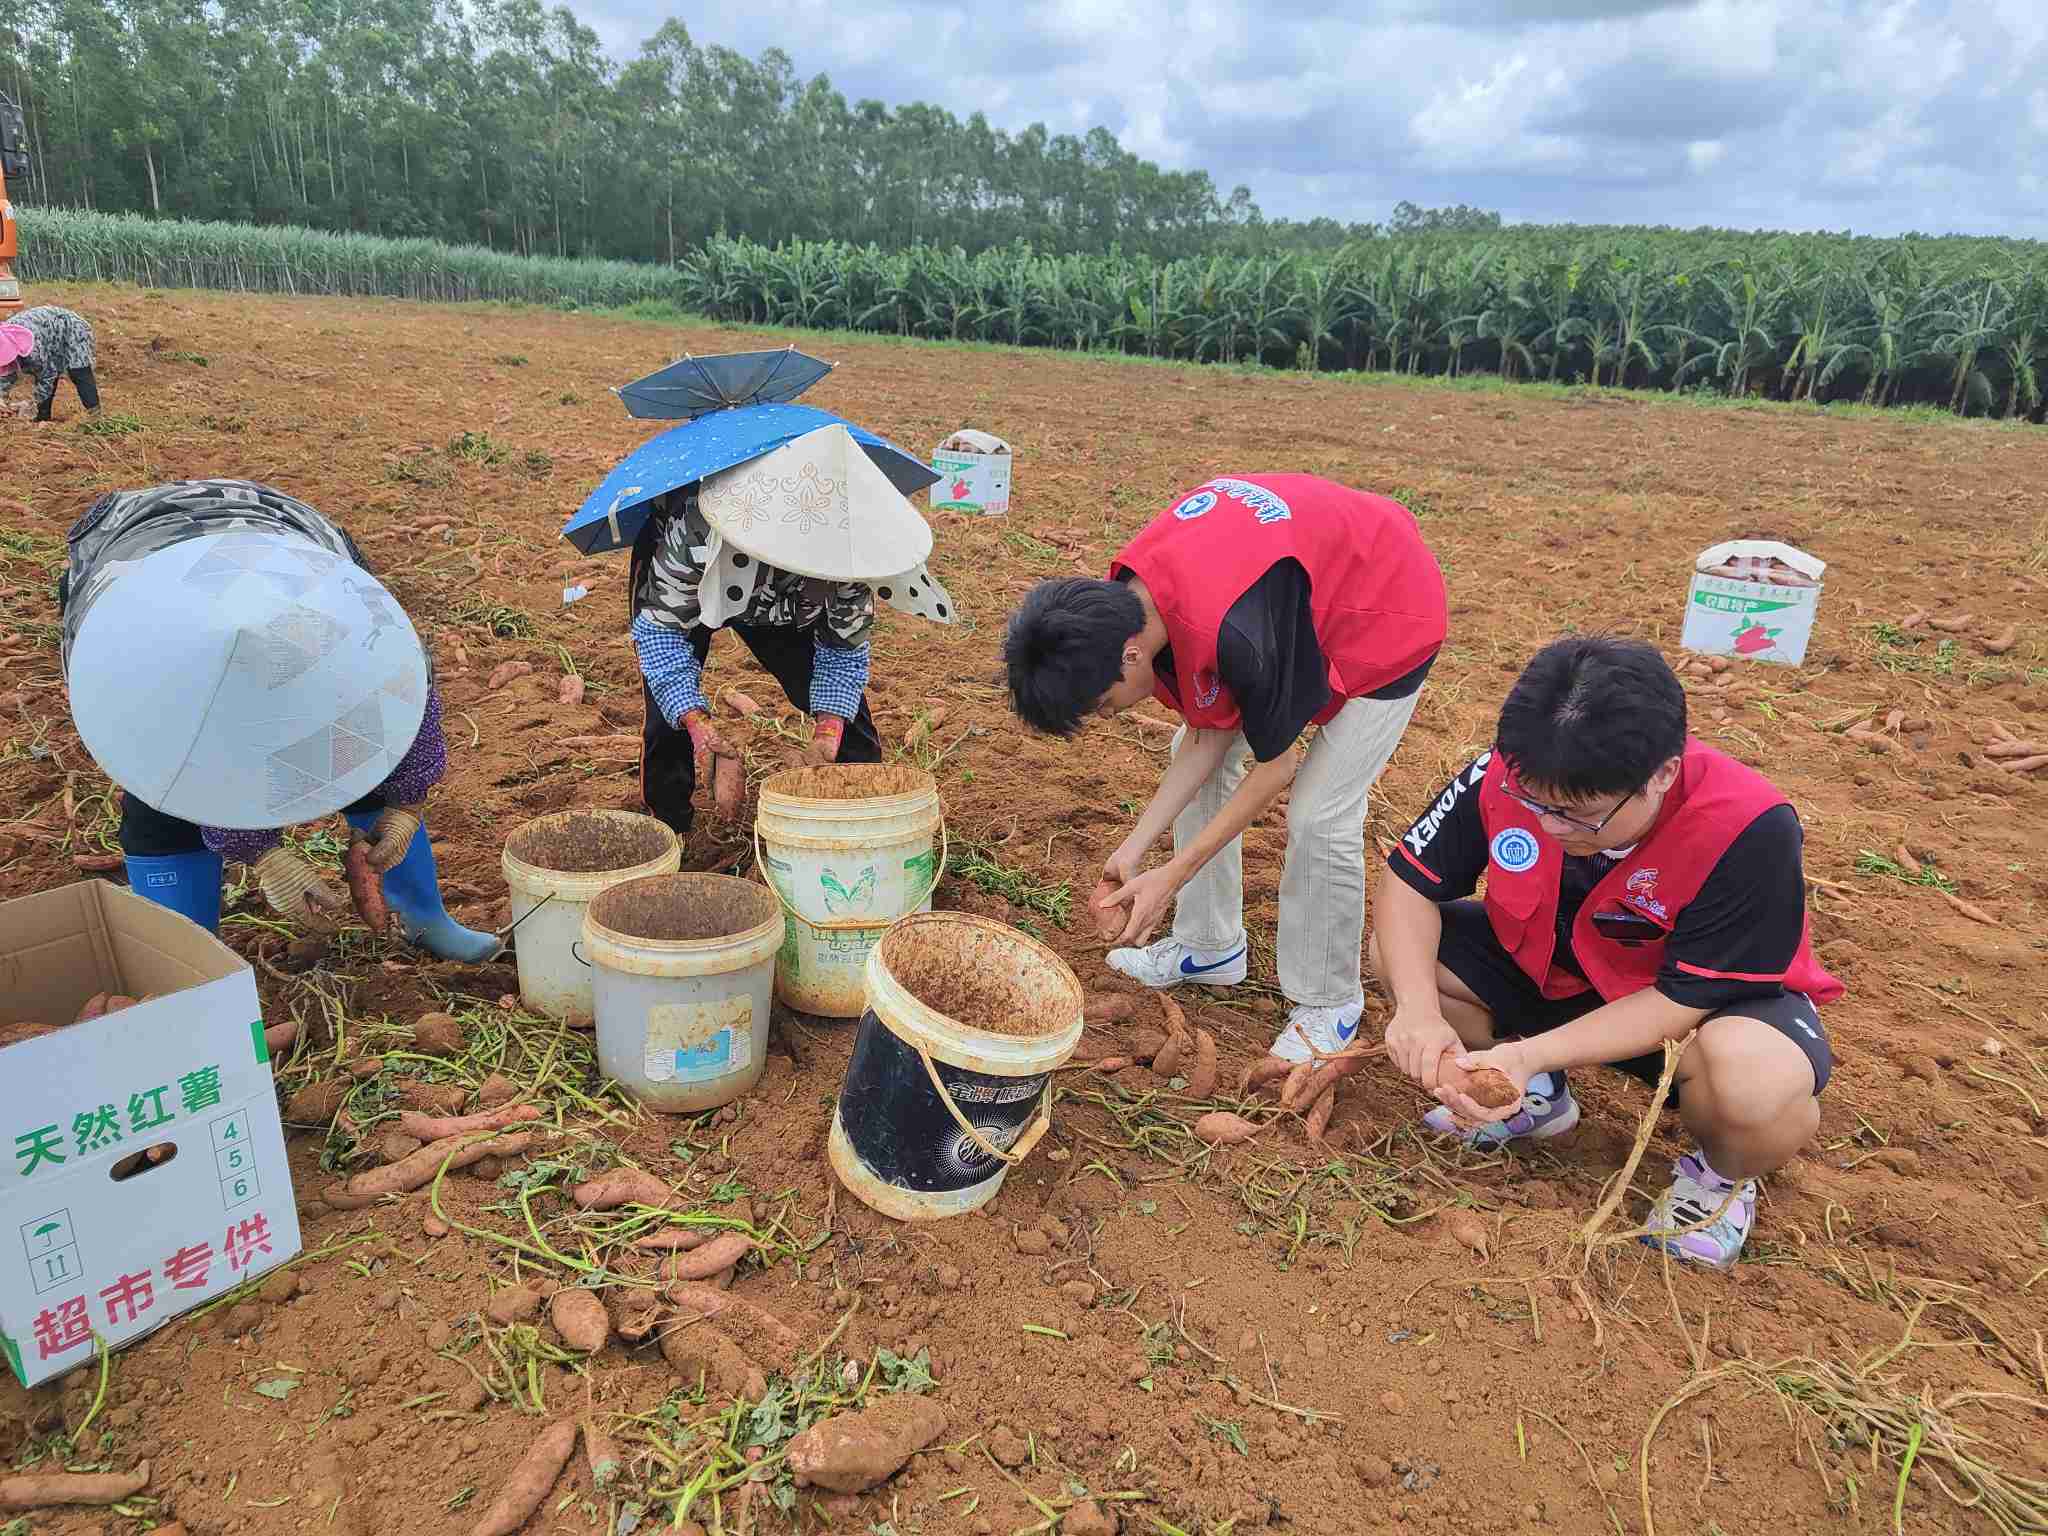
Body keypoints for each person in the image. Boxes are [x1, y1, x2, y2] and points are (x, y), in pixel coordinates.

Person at [1362, 634, 1839, 1270]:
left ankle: (1720, 1181)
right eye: (1535, 804)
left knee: (1756, 1086)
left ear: (1662, 774)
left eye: (1577, 814)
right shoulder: (1511, 775)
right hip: (1557, 974)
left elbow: (1684, 998)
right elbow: (1409, 885)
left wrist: (1529, 1052)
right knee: (1403, 957)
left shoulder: (1748, 826)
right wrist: (1418, 1012)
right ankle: (1535, 1098)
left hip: (1689, 1016)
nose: (1549, 825)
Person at [1002, 473, 1446, 1068]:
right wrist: (1132, 852)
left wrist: (1174, 873)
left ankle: (1329, 1002)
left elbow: (1276, 767)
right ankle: (1208, 945)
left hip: (1387, 606)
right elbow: (1208, 729)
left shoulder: (1237, 632)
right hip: (1299, 587)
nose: (1107, 715)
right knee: (1190, 749)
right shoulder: (1127, 601)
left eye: (1103, 704)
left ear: (1129, 655)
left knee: (1319, 811)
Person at [58, 478, 498, 962]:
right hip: (135, 553)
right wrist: (262, 853)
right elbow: (184, 771)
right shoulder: (125, 663)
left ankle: (425, 916)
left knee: (365, 742)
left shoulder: (358, 627)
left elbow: (410, 697)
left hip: (276, 537)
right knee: (162, 803)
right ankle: (188, 961)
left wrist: (406, 804)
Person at [630, 422, 957, 834]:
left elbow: (843, 648)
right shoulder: (694, 530)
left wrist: (827, 734)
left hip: (788, 608)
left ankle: (862, 813)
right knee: (667, 721)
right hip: (693, 587)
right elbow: (662, 635)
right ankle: (668, 826)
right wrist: (700, 729)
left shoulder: (854, 552)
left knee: (850, 724)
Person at [1, 306, 100, 422]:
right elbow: (6, 374)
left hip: (71, 328)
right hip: (47, 333)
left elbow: (48, 375)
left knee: (78, 371)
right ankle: (43, 418)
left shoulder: (32, 350)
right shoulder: (4, 340)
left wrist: (33, 404)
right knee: (49, 371)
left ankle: (95, 417)